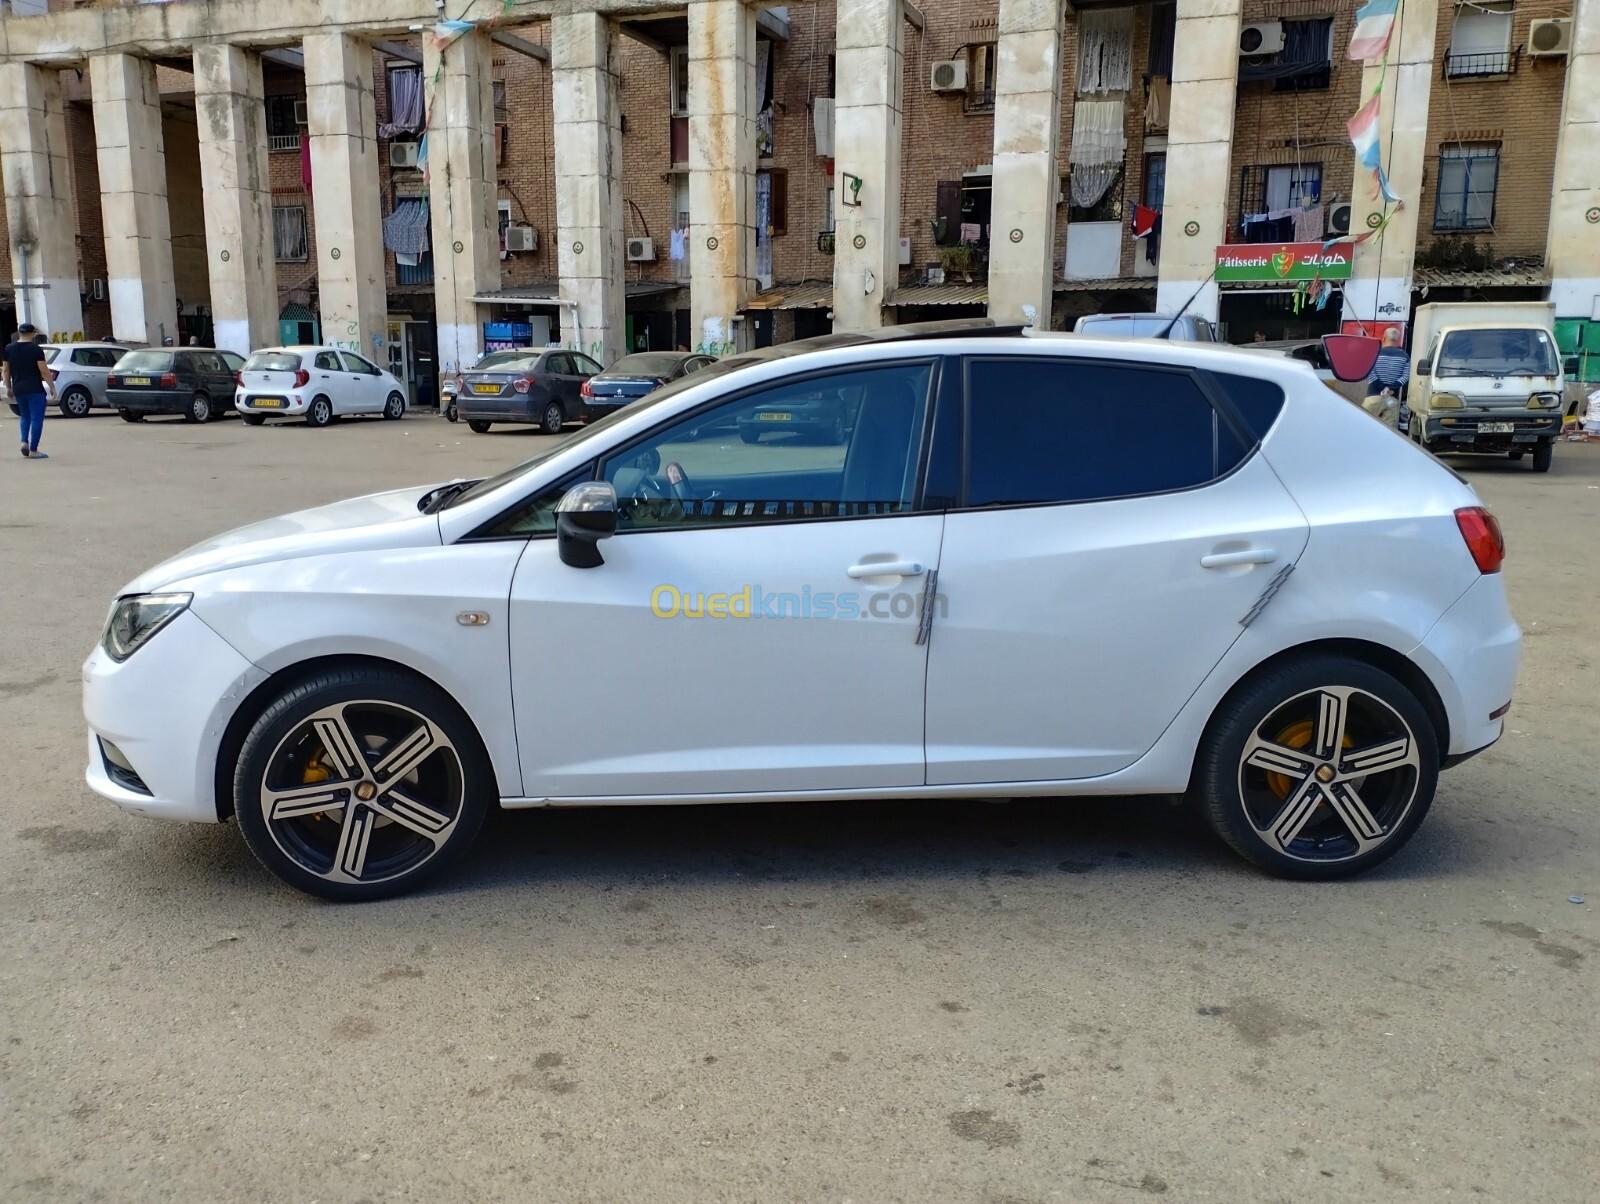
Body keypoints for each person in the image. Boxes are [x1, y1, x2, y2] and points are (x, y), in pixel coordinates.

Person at [4, 323, 56, 460]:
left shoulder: (9, 348)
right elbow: (44, 371)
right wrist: (52, 387)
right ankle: (33, 450)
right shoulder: (35, 349)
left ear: (20, 333)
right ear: (32, 334)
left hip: (18, 388)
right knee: (36, 418)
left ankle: (24, 441)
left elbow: (6, 370)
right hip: (34, 388)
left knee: (25, 416)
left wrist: (8, 387)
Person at [1366, 327, 1411, 431]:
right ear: (1398, 340)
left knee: (1365, 428)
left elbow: (1370, 373)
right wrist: (1390, 387)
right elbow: (1405, 377)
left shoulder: (1374, 353)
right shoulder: (1405, 356)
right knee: (1387, 431)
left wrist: (1382, 387)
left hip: (1373, 397)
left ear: (1384, 337)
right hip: (1392, 399)